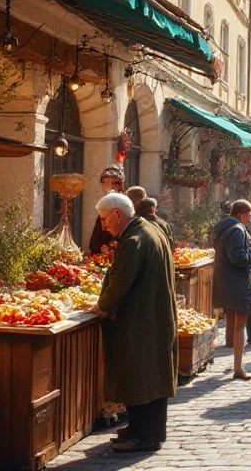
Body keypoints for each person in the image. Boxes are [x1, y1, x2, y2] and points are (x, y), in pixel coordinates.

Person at [92, 192, 177, 452]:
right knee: (148, 377)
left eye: (105, 219)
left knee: (141, 377)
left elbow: (120, 283)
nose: (103, 226)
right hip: (153, 316)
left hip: (143, 320)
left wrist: (101, 306)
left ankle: (145, 436)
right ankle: (140, 429)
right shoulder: (149, 230)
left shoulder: (134, 240)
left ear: (118, 214)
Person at [210, 200, 251, 381]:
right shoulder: (237, 230)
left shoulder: (222, 228)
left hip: (225, 281)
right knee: (240, 325)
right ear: (241, 214)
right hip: (237, 283)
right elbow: (239, 258)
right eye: (250, 214)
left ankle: (235, 362)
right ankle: (238, 367)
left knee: (233, 322)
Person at [87, 166, 127, 254]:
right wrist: (102, 248)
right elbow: (93, 242)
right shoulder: (103, 214)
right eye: (105, 182)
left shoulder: (126, 211)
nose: (109, 186)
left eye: (113, 183)